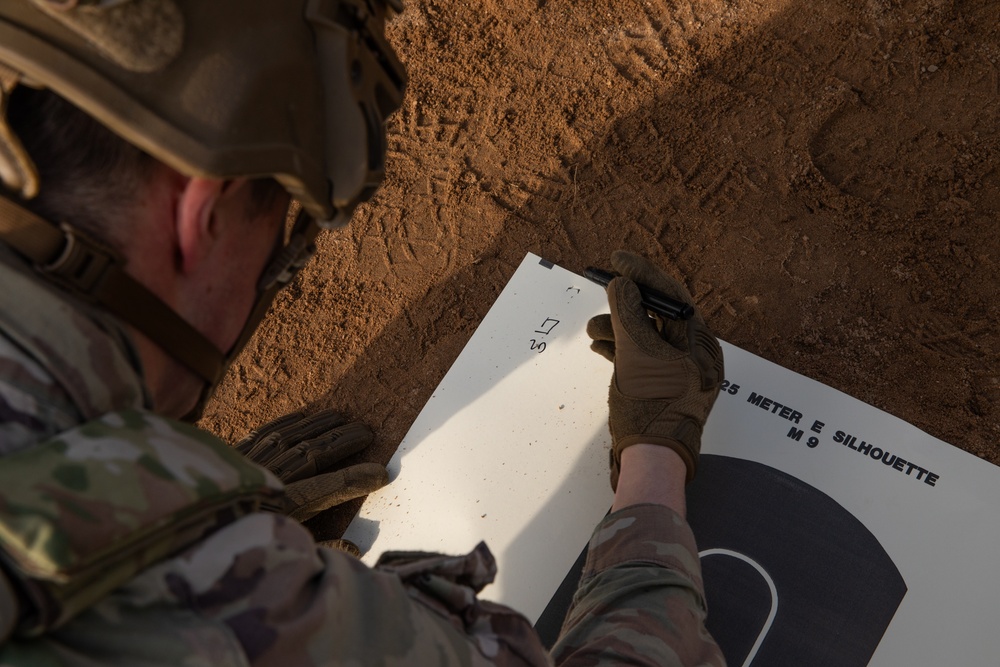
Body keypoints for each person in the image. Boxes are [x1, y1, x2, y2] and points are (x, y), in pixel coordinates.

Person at [0, 1, 726, 665]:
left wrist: (133, 503)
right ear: (208, 214)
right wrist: (655, 457)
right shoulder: (223, 610)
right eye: (282, 244)